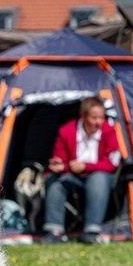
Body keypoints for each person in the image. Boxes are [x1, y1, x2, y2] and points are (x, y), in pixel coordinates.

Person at [43, 96, 122, 245]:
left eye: (101, 117)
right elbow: (60, 158)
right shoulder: (66, 131)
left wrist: (85, 166)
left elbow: (112, 162)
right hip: (72, 176)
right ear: (83, 116)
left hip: (101, 178)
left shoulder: (109, 131)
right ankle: (54, 231)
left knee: (97, 178)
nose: (99, 122)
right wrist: (59, 166)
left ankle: (91, 232)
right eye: (94, 117)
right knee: (54, 181)